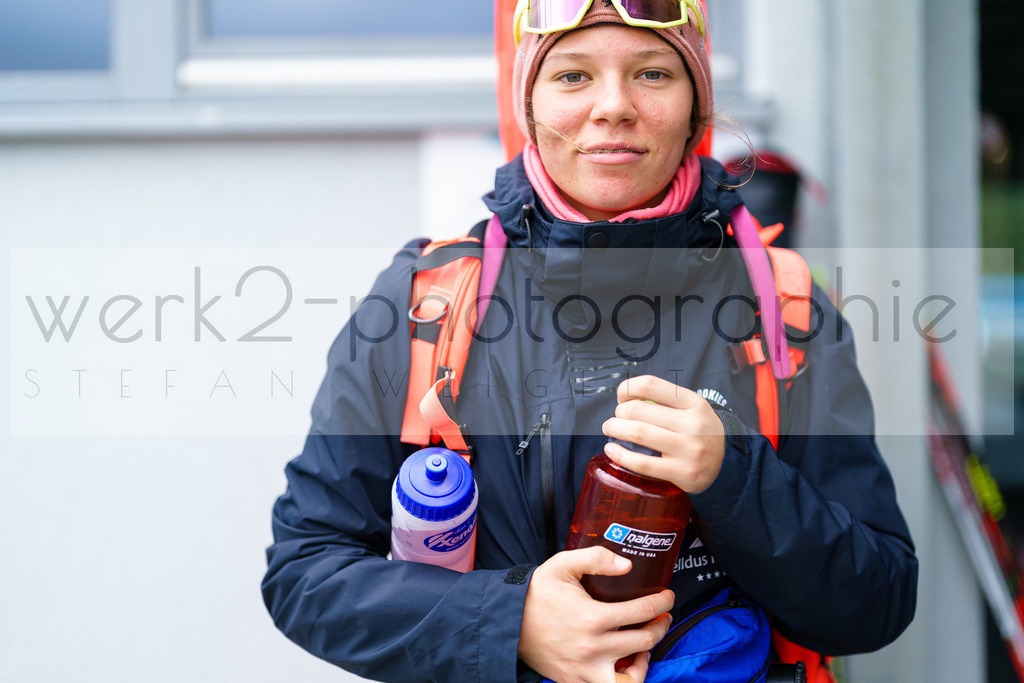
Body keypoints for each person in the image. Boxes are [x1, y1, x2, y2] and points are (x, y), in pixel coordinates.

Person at [262, 2, 919, 682]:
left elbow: (878, 601)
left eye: (653, 72)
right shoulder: (422, 304)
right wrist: (511, 619)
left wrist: (734, 473)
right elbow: (307, 571)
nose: (614, 106)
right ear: (529, 105)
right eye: (573, 76)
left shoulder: (783, 309)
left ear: (697, 105)